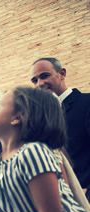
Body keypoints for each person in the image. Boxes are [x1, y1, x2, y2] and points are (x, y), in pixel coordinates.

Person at [30, 57, 90, 199]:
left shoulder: (86, 103)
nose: (40, 84)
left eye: (44, 76)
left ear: (62, 74)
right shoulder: (42, 119)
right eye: (34, 80)